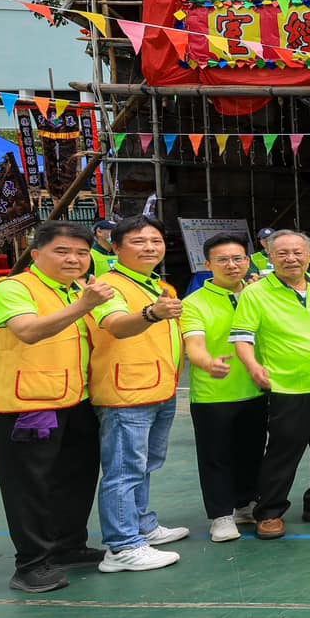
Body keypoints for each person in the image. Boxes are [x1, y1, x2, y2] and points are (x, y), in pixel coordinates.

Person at [0, 221, 117, 592]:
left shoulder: (74, 289)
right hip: (26, 405)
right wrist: (84, 305)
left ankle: (67, 546)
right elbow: (28, 331)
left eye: (82, 252)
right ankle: (31, 565)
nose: (74, 259)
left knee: (76, 477)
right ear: (36, 252)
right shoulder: (13, 288)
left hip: (75, 399)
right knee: (29, 486)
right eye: (62, 251)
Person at [232, 231, 310, 539]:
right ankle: (269, 512)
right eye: (282, 253)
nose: (291, 259)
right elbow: (243, 337)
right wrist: (253, 366)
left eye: (298, 252)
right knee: (283, 454)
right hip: (288, 387)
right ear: (270, 257)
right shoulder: (255, 293)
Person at [87, 217, 189, 572]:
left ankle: (142, 525)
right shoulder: (107, 287)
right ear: (115, 247)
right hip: (126, 393)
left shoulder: (156, 285)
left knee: (145, 464)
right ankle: (122, 546)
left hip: (158, 388)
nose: (150, 247)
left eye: (155, 241)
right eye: (138, 241)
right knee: (123, 470)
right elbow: (115, 325)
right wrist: (152, 313)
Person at [181, 234, 267, 542]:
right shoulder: (194, 303)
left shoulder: (259, 294)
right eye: (223, 260)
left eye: (238, 258)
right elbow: (194, 345)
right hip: (214, 394)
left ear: (248, 261)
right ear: (207, 264)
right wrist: (208, 364)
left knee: (252, 452)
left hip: (256, 388)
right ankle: (221, 515)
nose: (232, 265)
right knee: (216, 456)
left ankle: (246, 504)